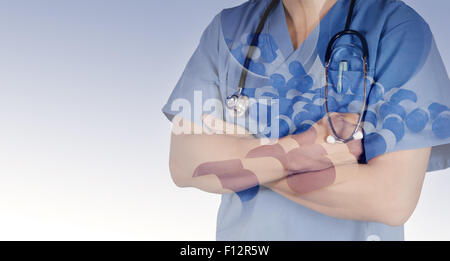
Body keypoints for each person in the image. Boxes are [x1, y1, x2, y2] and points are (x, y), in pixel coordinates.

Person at [162, 0, 450, 241]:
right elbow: (185, 163)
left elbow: (391, 198)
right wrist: (300, 152)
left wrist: (243, 162)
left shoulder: (397, 29)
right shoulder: (228, 30)